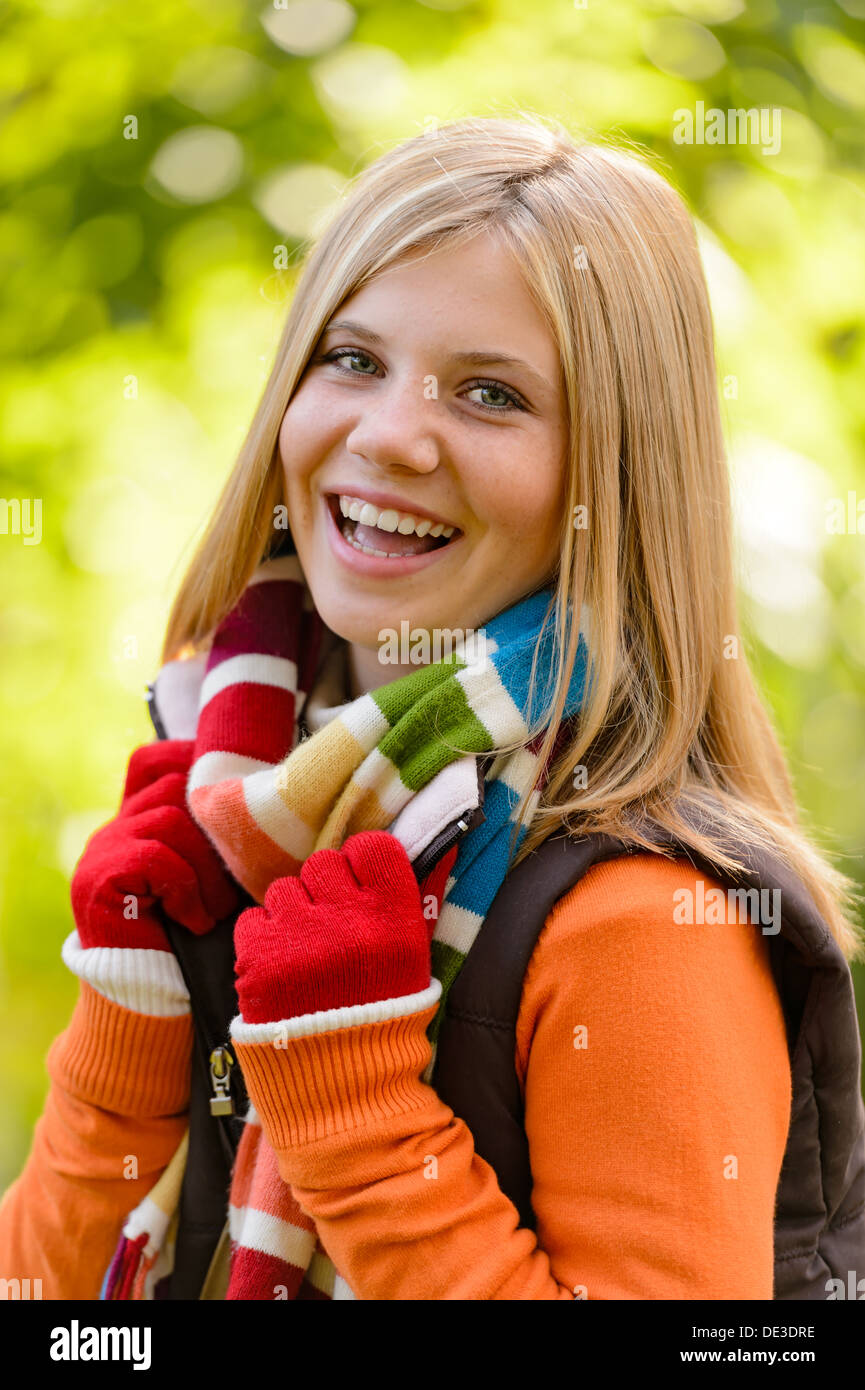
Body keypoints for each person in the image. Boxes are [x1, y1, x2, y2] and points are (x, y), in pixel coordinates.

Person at [1, 113, 862, 1302]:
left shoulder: (641, 916)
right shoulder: (238, 810)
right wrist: (121, 1051)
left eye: (490, 395)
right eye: (352, 360)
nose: (390, 433)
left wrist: (354, 1103)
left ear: (609, 474)